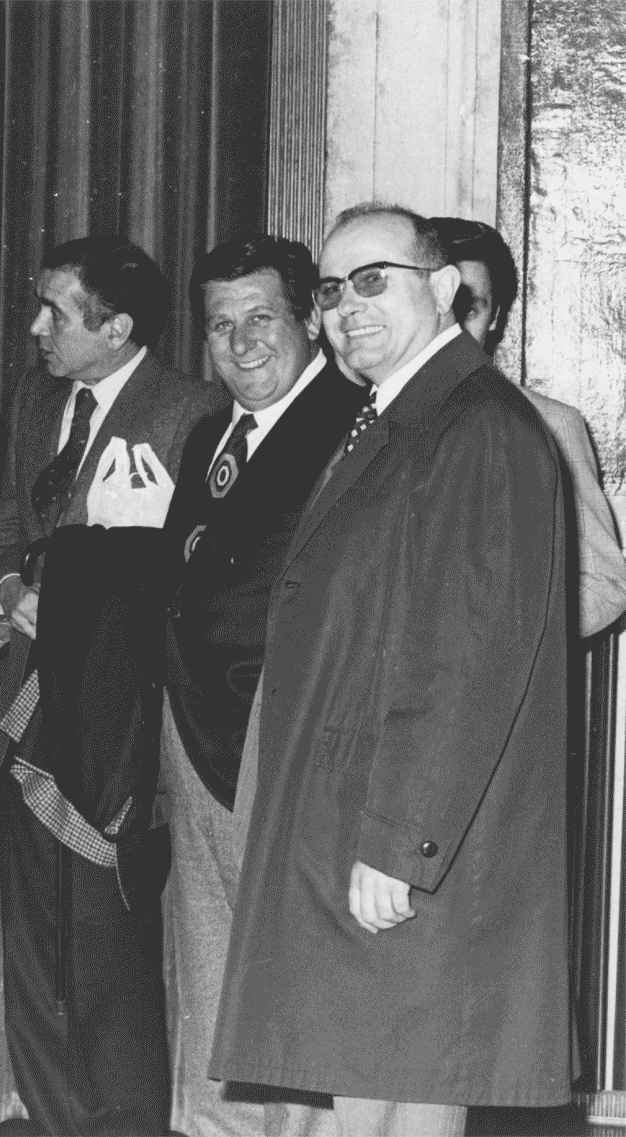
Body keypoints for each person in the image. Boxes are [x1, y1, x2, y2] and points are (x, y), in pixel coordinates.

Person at [211, 203, 571, 1134]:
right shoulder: (404, 414)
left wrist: (401, 839)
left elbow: (468, 654)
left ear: (445, 290)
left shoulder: (475, 426)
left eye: (375, 280)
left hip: (398, 830)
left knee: (395, 1096)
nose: (347, 306)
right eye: (332, 290)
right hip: (365, 811)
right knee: (381, 1088)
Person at [0, 236, 225, 1135]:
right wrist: (5, 591)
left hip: (118, 714)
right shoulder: (39, 401)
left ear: (116, 327)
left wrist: (70, 603)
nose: (35, 327)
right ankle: (52, 1108)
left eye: (56, 311)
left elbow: (188, 576)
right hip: (27, 697)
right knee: (35, 925)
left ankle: (120, 1117)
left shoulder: (194, 411)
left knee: (108, 929)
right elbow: (7, 519)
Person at [158, 235, 365, 1136]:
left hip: (285, 739)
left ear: (308, 319)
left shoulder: (354, 425)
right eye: (220, 325)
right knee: (206, 968)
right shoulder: (210, 433)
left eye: (262, 319)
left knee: (291, 978)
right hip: (195, 734)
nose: (242, 344)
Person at [430, 215, 626, 637]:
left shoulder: (551, 425)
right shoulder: (358, 422)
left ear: (496, 318)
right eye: (440, 309)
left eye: (469, 310)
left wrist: (502, 642)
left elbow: (605, 584)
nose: (452, 331)